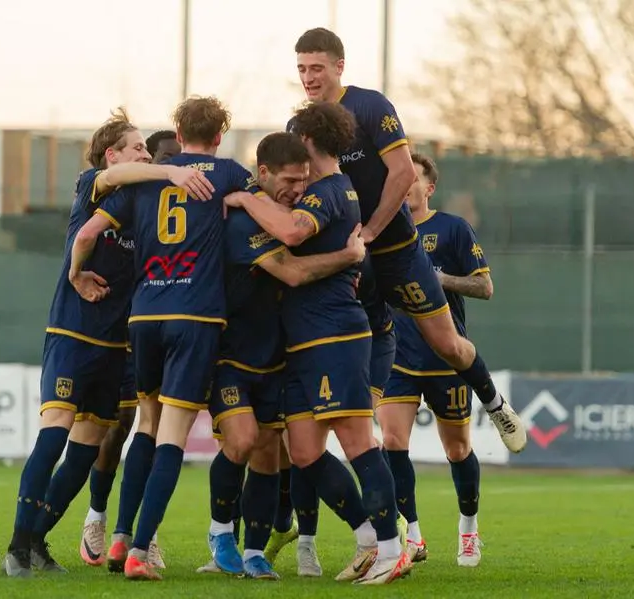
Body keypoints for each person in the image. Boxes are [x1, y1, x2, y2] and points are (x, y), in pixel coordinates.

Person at [291, 27, 526, 453]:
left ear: (339, 67)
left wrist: (372, 231)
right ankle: (326, 472)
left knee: (447, 344)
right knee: (349, 348)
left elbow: (402, 173)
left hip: (396, 250)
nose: (309, 77)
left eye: (317, 68)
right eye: (302, 69)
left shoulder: (369, 105)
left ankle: (494, 403)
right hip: (349, 261)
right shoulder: (298, 125)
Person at [1, 108, 214, 579]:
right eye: (137, 147)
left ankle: (38, 538)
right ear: (113, 155)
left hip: (118, 346)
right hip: (74, 333)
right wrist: (171, 168)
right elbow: (92, 222)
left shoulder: (141, 207)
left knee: (88, 448)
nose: (144, 153)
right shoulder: (94, 183)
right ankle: (17, 546)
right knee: (56, 430)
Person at [68, 95, 260, 581]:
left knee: (147, 426)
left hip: (144, 316)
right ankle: (138, 553)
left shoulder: (147, 179)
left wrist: (76, 274)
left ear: (177, 130)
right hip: (195, 318)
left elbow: (88, 232)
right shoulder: (230, 175)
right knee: (172, 433)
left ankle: (118, 540)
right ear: (219, 136)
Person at [226, 102, 412, 585]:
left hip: (334, 335)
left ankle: (394, 548)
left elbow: (290, 231)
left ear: (309, 141)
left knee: (356, 443)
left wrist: (246, 200)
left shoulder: (328, 191)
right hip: (305, 342)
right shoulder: (324, 190)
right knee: (305, 451)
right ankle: (370, 539)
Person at [201, 132, 367, 580]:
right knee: (242, 439)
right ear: (263, 174)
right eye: (290, 180)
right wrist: (349, 255)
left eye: (304, 180)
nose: (298, 189)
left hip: (276, 357)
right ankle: (219, 534)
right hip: (231, 356)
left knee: (271, 457)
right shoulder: (243, 221)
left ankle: (254, 552)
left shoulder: (277, 212)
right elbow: (291, 274)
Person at [79, 131, 185, 570]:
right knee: (117, 428)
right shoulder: (111, 195)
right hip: (113, 330)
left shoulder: (187, 202)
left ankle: (145, 533)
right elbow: (85, 233)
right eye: (154, 156)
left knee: (152, 425)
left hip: (154, 325)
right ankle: (98, 515)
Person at [381, 153, 492, 567]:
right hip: (396, 355)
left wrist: (441, 279)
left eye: (413, 179)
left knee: (458, 449)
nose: (405, 183)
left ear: (428, 188)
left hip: (447, 360)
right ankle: (412, 535)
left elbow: (484, 287)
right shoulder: (381, 230)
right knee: (392, 442)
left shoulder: (452, 229)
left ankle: (468, 529)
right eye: (400, 176)